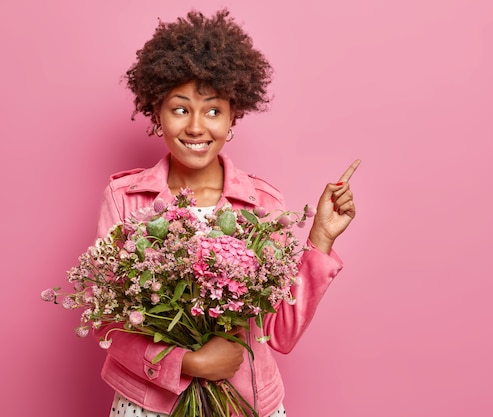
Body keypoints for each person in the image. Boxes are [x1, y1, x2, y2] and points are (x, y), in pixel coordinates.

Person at [93, 8, 360, 417]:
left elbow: (279, 332)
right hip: (149, 406)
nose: (197, 127)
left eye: (213, 110)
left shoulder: (262, 203)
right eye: (180, 108)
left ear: (234, 115)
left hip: (245, 402)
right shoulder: (125, 198)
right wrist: (187, 364)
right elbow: (108, 322)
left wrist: (321, 238)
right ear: (156, 114)